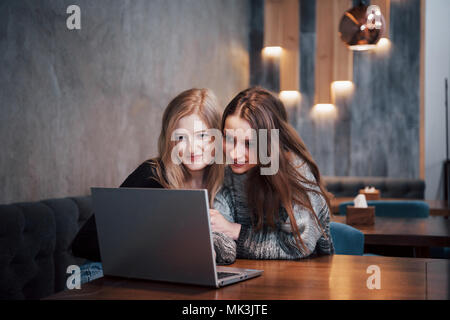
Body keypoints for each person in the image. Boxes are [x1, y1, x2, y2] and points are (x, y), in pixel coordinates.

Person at [72, 88, 236, 264]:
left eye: (202, 135)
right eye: (181, 137)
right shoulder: (151, 174)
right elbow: (84, 242)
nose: (192, 148)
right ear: (170, 141)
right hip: (108, 274)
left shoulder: (228, 181)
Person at [209, 87, 334, 259]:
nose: (234, 154)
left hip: (304, 279)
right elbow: (221, 240)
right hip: (252, 278)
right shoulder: (229, 176)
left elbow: (297, 246)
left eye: (249, 143)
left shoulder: (296, 172)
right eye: (229, 139)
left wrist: (235, 231)